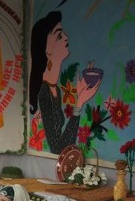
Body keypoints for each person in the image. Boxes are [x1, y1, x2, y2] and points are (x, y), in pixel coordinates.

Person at [29, 11, 101, 154]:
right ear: (46, 49)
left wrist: (80, 96)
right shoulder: (44, 94)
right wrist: (79, 103)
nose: (66, 37)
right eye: (59, 35)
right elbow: (58, 149)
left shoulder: (54, 89)